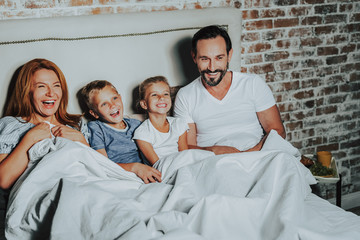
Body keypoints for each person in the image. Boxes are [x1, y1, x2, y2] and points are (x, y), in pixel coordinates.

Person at [174, 25, 286, 155]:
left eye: (219, 58)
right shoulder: (185, 96)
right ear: (194, 57)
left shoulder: (252, 84)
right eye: (204, 59)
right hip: (214, 161)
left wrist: (248, 155)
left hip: (259, 154)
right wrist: (215, 151)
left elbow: (278, 130)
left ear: (229, 55)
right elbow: (187, 147)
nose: (212, 67)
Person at [0, 58, 89, 190]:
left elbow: (100, 170)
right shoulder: (11, 125)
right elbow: (4, 180)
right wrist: (29, 139)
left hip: (84, 188)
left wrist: (81, 141)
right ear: (27, 92)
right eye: (41, 86)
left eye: (56, 86)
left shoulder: (76, 124)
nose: (51, 93)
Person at [80, 80, 162, 183]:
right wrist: (135, 168)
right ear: (94, 113)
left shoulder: (136, 124)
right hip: (122, 176)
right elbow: (103, 163)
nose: (112, 105)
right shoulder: (96, 127)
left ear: (120, 97)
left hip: (148, 173)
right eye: (104, 104)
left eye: (114, 98)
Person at [133, 76, 189, 166]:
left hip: (183, 166)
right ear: (144, 104)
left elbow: (185, 155)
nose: (161, 98)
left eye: (166, 94)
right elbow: (158, 165)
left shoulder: (178, 124)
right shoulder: (143, 132)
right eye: (154, 95)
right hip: (164, 171)